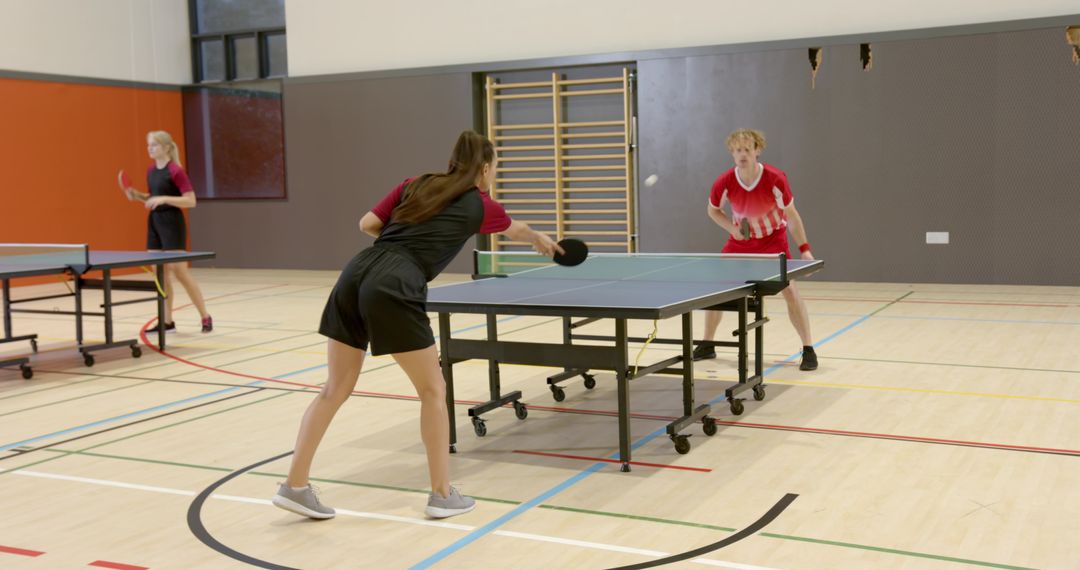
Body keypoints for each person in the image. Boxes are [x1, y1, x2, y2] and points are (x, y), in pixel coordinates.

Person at [272, 131, 561, 520]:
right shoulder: (480, 204)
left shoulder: (415, 184)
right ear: (485, 168)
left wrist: (401, 245)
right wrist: (540, 239)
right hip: (395, 282)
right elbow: (516, 230)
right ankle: (442, 495)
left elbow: (366, 223)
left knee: (334, 388)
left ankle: (294, 485)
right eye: (493, 170)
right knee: (432, 390)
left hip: (357, 272)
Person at [695, 129, 818, 371]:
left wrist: (804, 249)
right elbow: (713, 211)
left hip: (773, 241)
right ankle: (707, 344)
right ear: (732, 153)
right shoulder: (725, 182)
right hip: (741, 243)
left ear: (757, 151)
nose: (742, 154)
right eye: (737, 150)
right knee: (716, 290)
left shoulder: (775, 178)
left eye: (747, 149)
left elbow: (791, 216)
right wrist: (732, 228)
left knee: (791, 292)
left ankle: (808, 348)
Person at [121, 130, 213, 333]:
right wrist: (137, 196)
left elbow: (191, 200)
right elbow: (153, 198)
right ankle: (167, 321)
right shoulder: (151, 171)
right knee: (160, 275)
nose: (149, 148)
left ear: (166, 147)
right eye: (148, 145)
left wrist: (163, 199)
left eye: (153, 145)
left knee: (180, 273)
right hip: (155, 223)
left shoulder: (176, 171)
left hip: (172, 224)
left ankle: (205, 317)